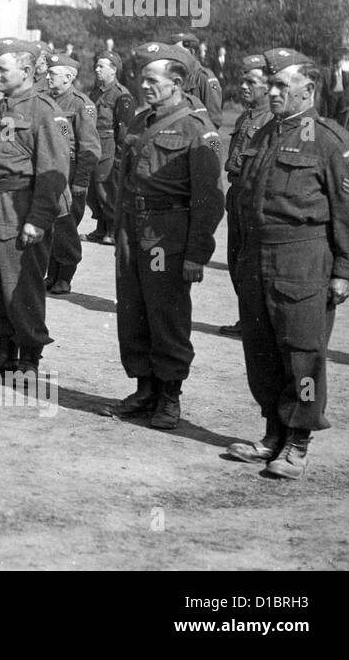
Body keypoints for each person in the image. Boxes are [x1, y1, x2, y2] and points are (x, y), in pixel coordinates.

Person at [225, 49, 349, 479]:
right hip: (257, 257)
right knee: (261, 350)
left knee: (302, 354)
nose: (274, 91)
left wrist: (346, 271)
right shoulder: (262, 134)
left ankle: (298, 443)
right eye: (272, 84)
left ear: (309, 89)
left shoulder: (331, 141)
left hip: (303, 258)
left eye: (283, 85)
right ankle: (272, 436)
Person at [111, 42, 224, 430]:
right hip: (132, 229)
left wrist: (196, 254)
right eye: (142, 78)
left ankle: (169, 397)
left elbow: (209, 200)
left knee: (166, 312)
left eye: (152, 80)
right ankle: (145, 389)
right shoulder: (141, 122)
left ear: (177, 83)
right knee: (133, 309)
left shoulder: (197, 129)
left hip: (166, 234)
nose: (144, 85)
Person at [0, 39, 71, 376]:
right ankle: (4, 351)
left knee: (22, 284)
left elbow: (53, 171)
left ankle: (29, 358)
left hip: (20, 207)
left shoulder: (45, 111)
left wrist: (38, 219)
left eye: (2, 69)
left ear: (26, 71)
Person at [218, 55, 273, 336]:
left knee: (252, 262)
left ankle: (257, 324)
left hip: (253, 196)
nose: (243, 86)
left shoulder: (272, 119)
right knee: (236, 259)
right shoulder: (245, 115)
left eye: (251, 81)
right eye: (242, 80)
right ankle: (248, 320)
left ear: (268, 85)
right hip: (237, 191)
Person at [44, 52, 101, 294]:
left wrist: (81, 181)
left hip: (71, 172)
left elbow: (90, 148)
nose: (47, 77)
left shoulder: (82, 105)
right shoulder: (45, 100)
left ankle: (65, 277)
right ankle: (52, 275)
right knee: (49, 225)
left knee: (66, 227)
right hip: (49, 169)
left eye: (53, 74)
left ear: (68, 77)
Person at [85, 51, 135, 245]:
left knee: (107, 188)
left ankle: (114, 230)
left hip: (110, 146)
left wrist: (120, 157)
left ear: (113, 70)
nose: (97, 70)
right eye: (96, 66)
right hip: (94, 144)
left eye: (101, 66)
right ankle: (101, 228)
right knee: (93, 190)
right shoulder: (96, 92)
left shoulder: (122, 95)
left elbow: (125, 130)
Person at [170, 32, 223, 127]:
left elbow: (214, 119)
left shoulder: (204, 78)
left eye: (178, 53)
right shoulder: (172, 77)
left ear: (192, 52)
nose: (174, 57)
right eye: (172, 52)